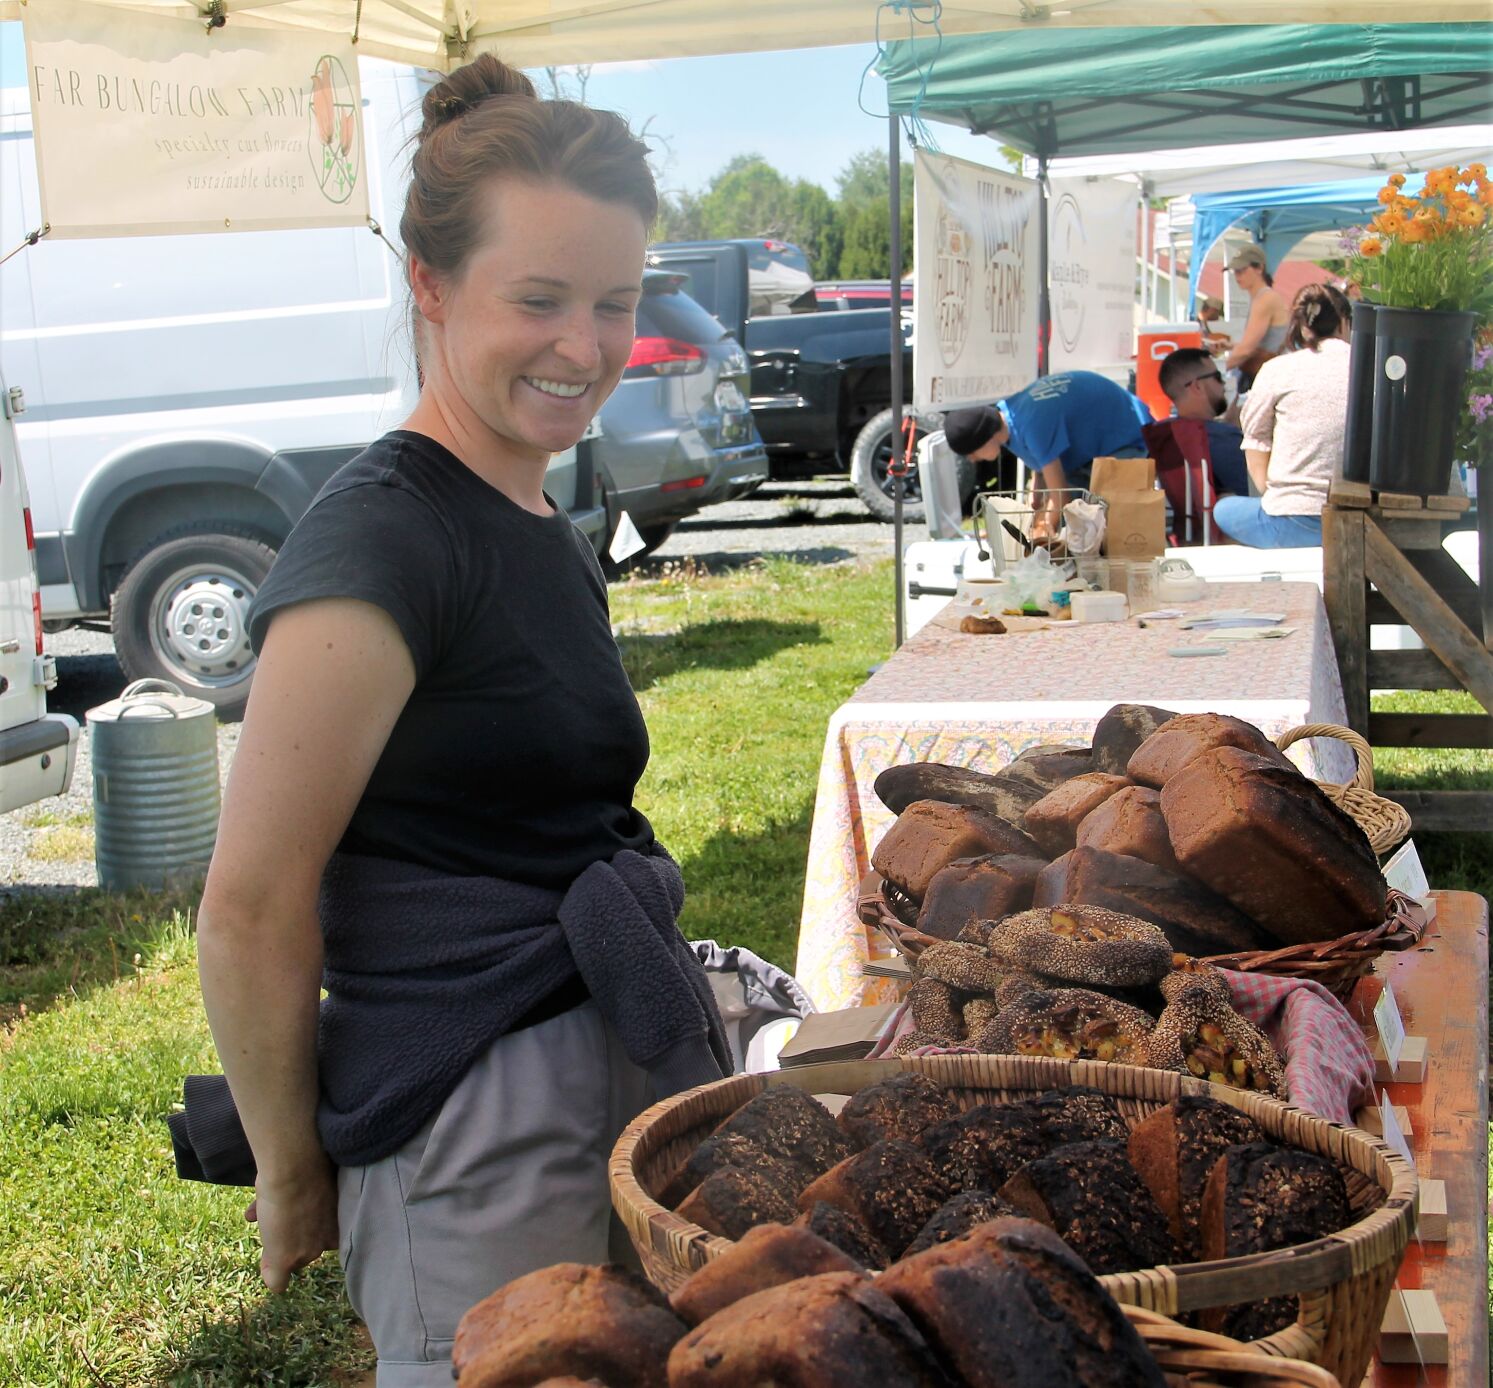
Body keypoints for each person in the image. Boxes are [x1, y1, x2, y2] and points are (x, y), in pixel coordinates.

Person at [195, 54, 728, 1386]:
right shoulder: (383, 540)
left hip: (585, 1060)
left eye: (614, 301)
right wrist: (289, 1171)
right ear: (429, 287)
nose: (587, 346)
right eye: (537, 300)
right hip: (469, 1117)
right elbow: (254, 902)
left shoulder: (531, 508)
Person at [1213, 284, 1354, 549]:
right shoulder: (1370, 367)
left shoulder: (1277, 369)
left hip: (1292, 519)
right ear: (1345, 323)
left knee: (1223, 509)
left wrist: (1276, 495)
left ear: (1301, 325)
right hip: (1360, 519)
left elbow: (1254, 437)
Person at [943, 370, 1152, 539]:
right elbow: (1041, 473)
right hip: (1095, 441)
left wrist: (1040, 536)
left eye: (972, 453)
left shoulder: (1032, 426)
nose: (972, 460)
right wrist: (1032, 514)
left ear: (985, 439)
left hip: (1128, 433)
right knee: (1075, 521)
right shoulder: (1008, 414)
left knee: (1101, 526)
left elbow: (1062, 498)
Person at [1156, 346, 1249, 497]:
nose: (1224, 385)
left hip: (1188, 519)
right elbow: (1253, 493)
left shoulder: (1163, 432)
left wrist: (1227, 427)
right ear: (1197, 386)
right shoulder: (1221, 438)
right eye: (1218, 377)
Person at [1223, 244, 1290, 391]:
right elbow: (1259, 345)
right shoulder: (1262, 298)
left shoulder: (1265, 299)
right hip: (1266, 374)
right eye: (1235, 271)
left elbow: (1247, 349)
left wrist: (1216, 371)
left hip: (1266, 378)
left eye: (1242, 270)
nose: (1237, 275)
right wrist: (1233, 345)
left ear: (1259, 268)